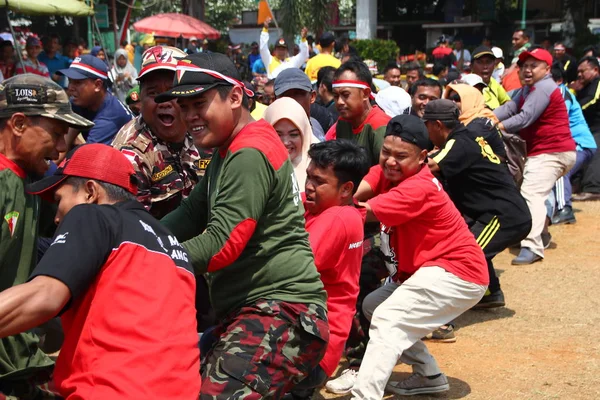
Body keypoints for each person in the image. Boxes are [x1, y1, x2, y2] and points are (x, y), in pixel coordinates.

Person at [157, 52, 329, 399]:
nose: (190, 117)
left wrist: (149, 257)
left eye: (199, 103)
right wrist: (141, 236)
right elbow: (191, 213)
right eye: (184, 107)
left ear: (235, 97)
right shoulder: (228, 149)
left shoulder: (248, 152)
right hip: (252, 310)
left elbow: (222, 243)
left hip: (281, 310)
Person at [2, 143, 201, 399]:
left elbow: (44, 296)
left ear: (90, 192)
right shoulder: (172, 245)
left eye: (60, 200)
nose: (56, 218)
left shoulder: (93, 215)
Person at [345, 114, 488, 398]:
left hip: (459, 273)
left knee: (388, 317)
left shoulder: (419, 186)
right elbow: (365, 184)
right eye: (386, 152)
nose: (390, 161)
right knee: (375, 305)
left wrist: (326, 204)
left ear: (423, 156)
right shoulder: (392, 172)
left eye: (401, 156)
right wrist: (341, 197)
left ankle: (364, 395)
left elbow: (361, 212)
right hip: (435, 270)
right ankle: (429, 374)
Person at [0, 74, 93, 399]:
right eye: (54, 134)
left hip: (21, 362)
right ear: (19, 123)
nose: (60, 149)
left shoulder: (26, 182)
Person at [425, 99, 531, 308]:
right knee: (471, 245)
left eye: (426, 125)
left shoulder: (459, 142)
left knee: (465, 254)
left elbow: (431, 165)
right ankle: (490, 293)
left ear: (437, 125)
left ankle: (441, 312)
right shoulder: (467, 137)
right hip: (498, 213)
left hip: (503, 217)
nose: (425, 130)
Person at [289, 140, 370, 399]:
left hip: (311, 349)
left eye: (319, 181)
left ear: (346, 189)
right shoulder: (330, 207)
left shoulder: (337, 217)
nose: (309, 186)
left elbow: (290, 269)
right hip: (318, 341)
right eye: (309, 177)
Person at [494, 48, 576, 264]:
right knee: (526, 192)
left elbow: (524, 118)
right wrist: (484, 117)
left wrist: (497, 125)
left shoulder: (543, 87)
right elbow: (511, 107)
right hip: (546, 152)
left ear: (547, 69)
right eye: (525, 66)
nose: (527, 70)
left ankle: (532, 246)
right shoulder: (529, 89)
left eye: (534, 65)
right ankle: (540, 234)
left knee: (532, 193)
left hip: (553, 152)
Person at [112, 45, 210, 219]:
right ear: (140, 99)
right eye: (154, 93)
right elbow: (133, 230)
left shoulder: (203, 128)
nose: (164, 102)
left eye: (173, 92)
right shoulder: (129, 155)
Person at [550, 65, 597, 222]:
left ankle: (564, 209)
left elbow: (558, 118)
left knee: (561, 169)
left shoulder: (562, 93)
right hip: (574, 144)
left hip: (581, 144)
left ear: (558, 81)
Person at [325, 61, 391, 166]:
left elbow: (386, 171)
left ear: (365, 94)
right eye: (336, 96)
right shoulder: (343, 122)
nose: (339, 102)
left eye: (345, 95)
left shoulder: (379, 125)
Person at [59, 55, 133, 146]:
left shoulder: (109, 118)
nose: (70, 88)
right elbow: (64, 141)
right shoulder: (82, 102)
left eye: (77, 82)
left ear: (97, 85)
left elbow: (88, 156)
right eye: (70, 81)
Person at [264, 97, 319, 190]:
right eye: (278, 135)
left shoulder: (322, 166)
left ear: (304, 135)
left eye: (293, 134)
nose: (285, 142)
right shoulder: (255, 168)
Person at [572, 56, 600, 201]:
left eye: (583, 71)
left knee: (595, 152)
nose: (579, 74)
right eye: (578, 71)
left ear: (595, 70)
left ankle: (593, 188)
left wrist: (573, 111)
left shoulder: (598, 83)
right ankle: (576, 185)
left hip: (597, 126)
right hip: (587, 126)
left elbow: (592, 100)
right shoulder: (584, 85)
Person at [274, 67, 329, 140]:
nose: (292, 100)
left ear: (312, 97)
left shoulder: (316, 125)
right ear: (275, 100)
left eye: (298, 94)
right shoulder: (269, 134)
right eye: (285, 95)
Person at [471, 45, 511, 110]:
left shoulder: (493, 82)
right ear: (471, 66)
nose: (485, 66)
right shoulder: (467, 85)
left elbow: (507, 102)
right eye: (480, 62)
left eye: (488, 62)